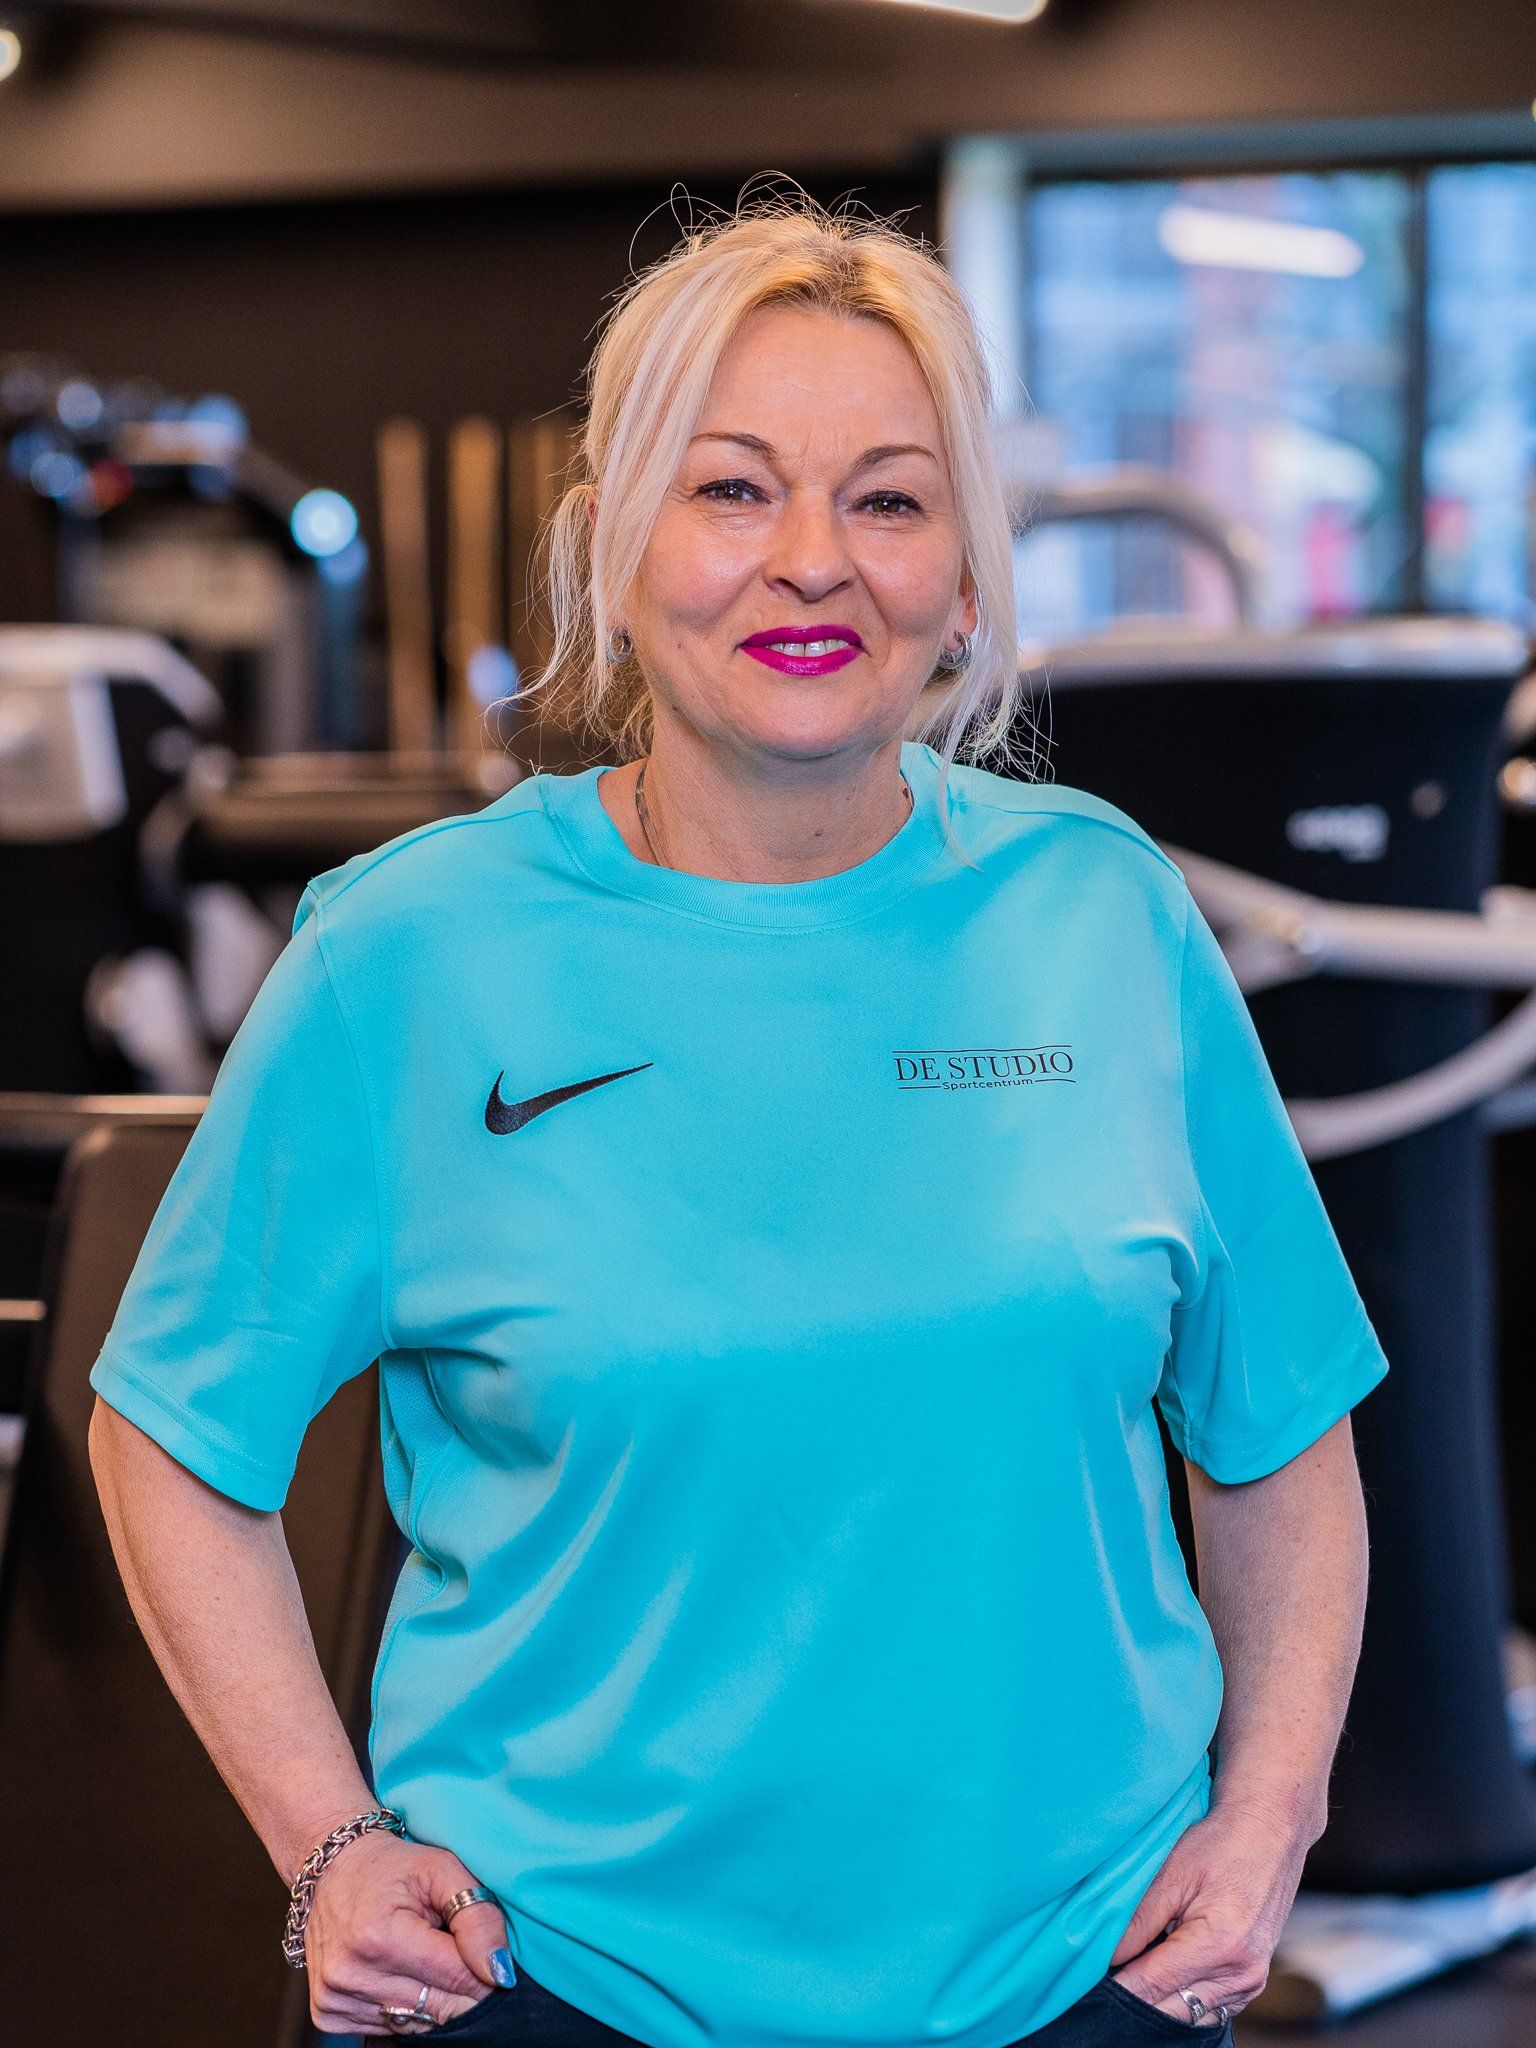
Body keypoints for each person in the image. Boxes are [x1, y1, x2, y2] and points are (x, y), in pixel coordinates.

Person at [87, 192, 1389, 2047]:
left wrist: (1271, 1820)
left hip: (1081, 1977)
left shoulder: (1103, 910)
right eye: (731, 489)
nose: (812, 563)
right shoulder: (413, 957)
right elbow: (169, 1434)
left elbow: (1281, 1433)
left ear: (965, 577)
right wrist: (329, 1845)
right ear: (613, 548)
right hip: (557, 1983)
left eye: (889, 500)